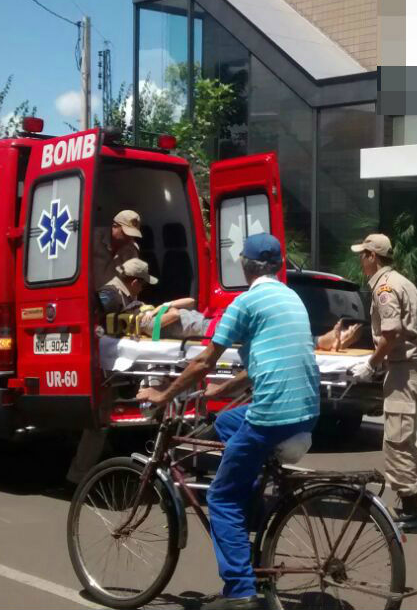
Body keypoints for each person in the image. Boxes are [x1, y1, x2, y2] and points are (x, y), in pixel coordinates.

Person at [136, 233, 319, 610]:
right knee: (227, 424)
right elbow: (263, 366)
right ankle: (251, 508)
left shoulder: (246, 302)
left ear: (245, 266)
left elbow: (204, 360)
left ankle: (239, 591)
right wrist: (216, 392)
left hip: (272, 415)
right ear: (277, 265)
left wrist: (163, 394)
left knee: (220, 498)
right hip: (306, 410)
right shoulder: (291, 298)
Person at [348, 233, 417, 531]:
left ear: (373, 256)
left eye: (363, 255)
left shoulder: (385, 287)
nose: (361, 260)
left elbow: (391, 333)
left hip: (404, 369)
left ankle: (413, 512)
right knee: (401, 437)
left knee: (397, 440)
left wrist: (370, 364)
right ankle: (412, 502)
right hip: (408, 367)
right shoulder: (399, 281)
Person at [97, 258, 211, 339]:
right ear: (134, 282)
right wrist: (165, 308)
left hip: (202, 322)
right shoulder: (109, 296)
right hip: (204, 327)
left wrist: (162, 307)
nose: (142, 289)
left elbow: (191, 301)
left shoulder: (126, 295)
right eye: (143, 285)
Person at [90, 209, 143, 290]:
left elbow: (133, 282)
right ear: (115, 226)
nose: (130, 238)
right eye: (127, 233)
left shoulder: (131, 248)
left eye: (133, 234)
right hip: (90, 295)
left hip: (115, 298)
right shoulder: (93, 238)